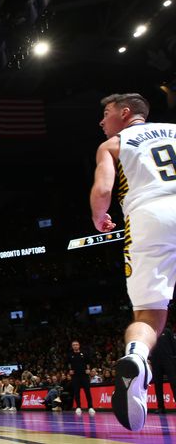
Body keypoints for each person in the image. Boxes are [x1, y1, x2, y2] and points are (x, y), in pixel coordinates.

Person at [91, 92, 176, 430]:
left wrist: (99, 217)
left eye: (106, 113)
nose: (102, 121)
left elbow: (102, 191)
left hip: (148, 215)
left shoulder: (113, 144)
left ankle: (138, 357)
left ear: (126, 114)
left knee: (149, 313)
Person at [150, 328, 176, 414]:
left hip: (168, 360)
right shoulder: (150, 333)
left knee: (174, 382)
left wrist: (173, 358)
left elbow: (174, 345)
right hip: (156, 361)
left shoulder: (167, 331)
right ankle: (161, 407)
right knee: (157, 384)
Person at [67, 340, 95, 415]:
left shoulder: (84, 353)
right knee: (76, 392)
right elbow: (68, 364)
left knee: (87, 392)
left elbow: (89, 362)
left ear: (79, 345)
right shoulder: (70, 355)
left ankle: (90, 407)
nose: (75, 346)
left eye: (76, 344)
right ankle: (78, 407)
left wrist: (89, 369)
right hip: (75, 376)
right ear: (72, 346)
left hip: (84, 376)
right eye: (74, 345)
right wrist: (69, 370)